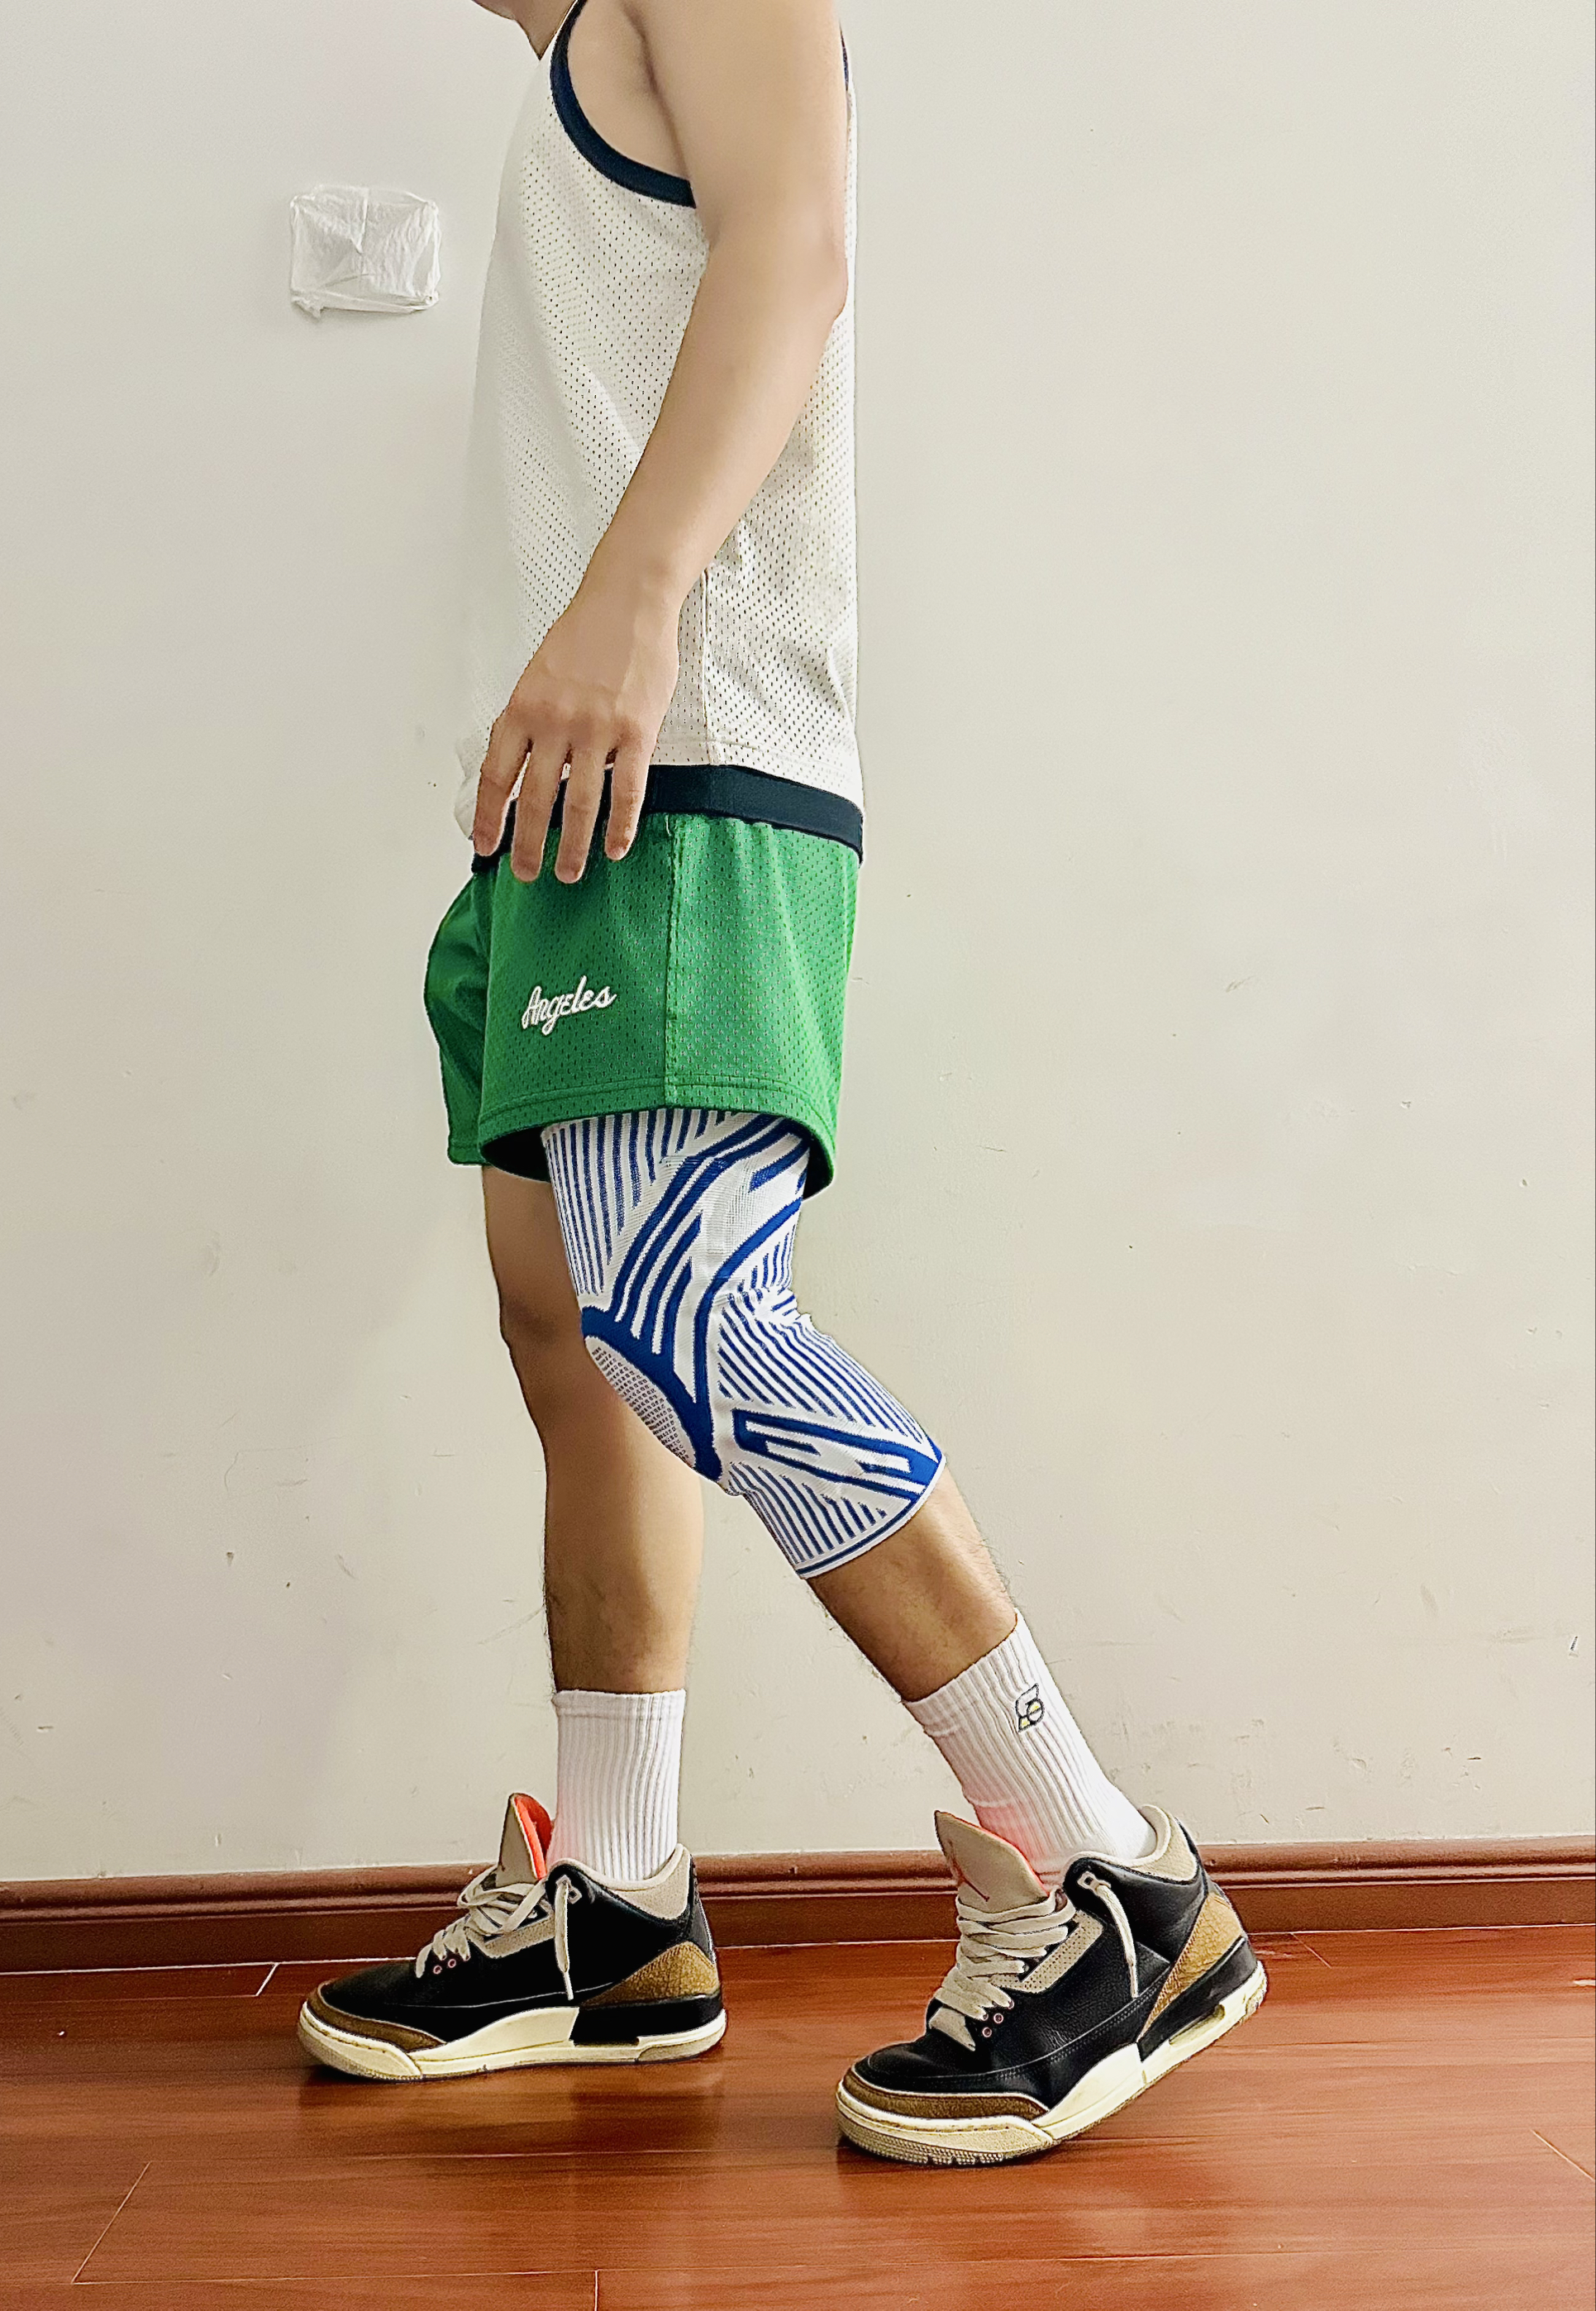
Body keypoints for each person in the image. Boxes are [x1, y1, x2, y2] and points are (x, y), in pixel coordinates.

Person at [297, 0, 1265, 2164]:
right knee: (573, 1332)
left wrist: (632, 603)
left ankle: (1107, 1875)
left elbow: (793, 251)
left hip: (682, 741)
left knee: (684, 1318)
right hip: (565, 786)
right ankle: (616, 1906)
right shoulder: (570, 56)